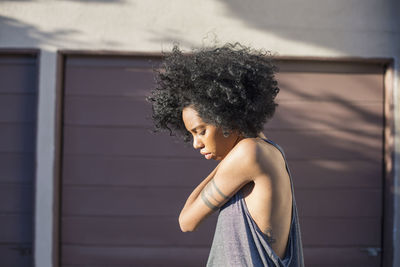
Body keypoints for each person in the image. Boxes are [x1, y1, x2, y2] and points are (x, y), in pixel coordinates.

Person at [146, 42, 305, 267]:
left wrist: (224, 162)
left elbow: (186, 221)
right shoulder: (269, 150)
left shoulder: (249, 153)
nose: (195, 143)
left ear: (226, 117)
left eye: (200, 131)